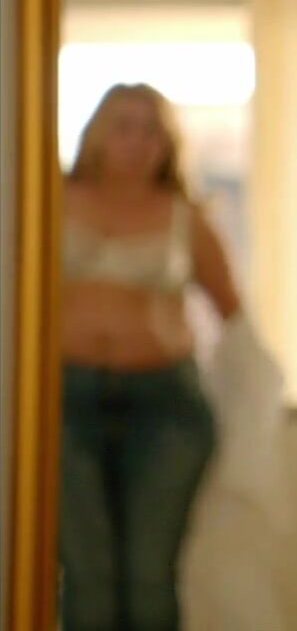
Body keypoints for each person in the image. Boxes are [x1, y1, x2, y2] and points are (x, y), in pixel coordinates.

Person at [60, 82, 241, 631]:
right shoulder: (48, 200)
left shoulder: (187, 218)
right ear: (96, 134)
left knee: (148, 577)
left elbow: (236, 321)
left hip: (165, 409)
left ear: (168, 145)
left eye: (151, 131)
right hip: (65, 404)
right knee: (87, 576)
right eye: (123, 126)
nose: (136, 142)